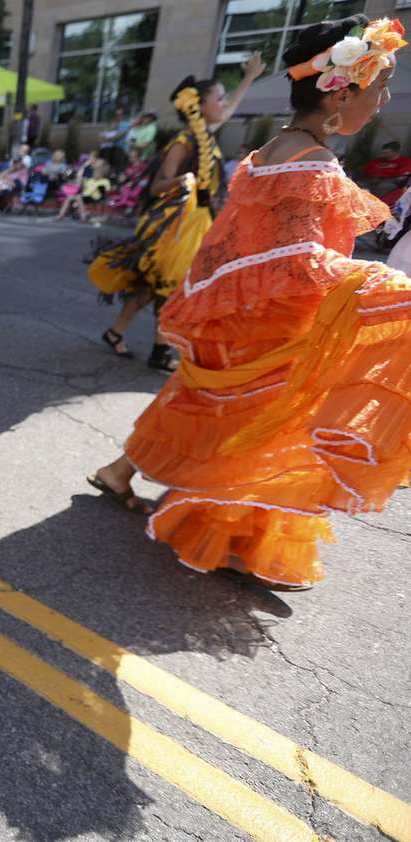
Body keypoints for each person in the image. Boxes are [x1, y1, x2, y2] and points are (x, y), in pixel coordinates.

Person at [87, 16, 411, 591]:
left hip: (240, 312)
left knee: (198, 394)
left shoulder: (268, 152)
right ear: (345, 91)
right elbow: (299, 261)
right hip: (273, 321)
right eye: (378, 88)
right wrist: (385, 289)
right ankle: (226, 534)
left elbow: (241, 244)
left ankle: (119, 471)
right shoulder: (311, 166)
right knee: (260, 426)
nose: (383, 103)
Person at [88, 52, 266, 372]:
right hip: (178, 228)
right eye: (219, 99)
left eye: (223, 99)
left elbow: (229, 110)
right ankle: (159, 351)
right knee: (170, 289)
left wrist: (249, 78)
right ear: (199, 106)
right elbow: (157, 185)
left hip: (197, 224)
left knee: (150, 287)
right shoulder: (184, 141)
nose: (223, 105)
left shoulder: (205, 137)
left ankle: (115, 332)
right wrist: (181, 181)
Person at [359, 140, 411, 204]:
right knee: (358, 184)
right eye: (383, 152)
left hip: (389, 183)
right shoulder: (377, 161)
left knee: (382, 187)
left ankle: (372, 204)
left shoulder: (405, 162)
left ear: (395, 152)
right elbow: (364, 171)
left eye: (386, 153)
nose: (383, 154)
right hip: (370, 180)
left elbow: (401, 178)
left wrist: (380, 180)